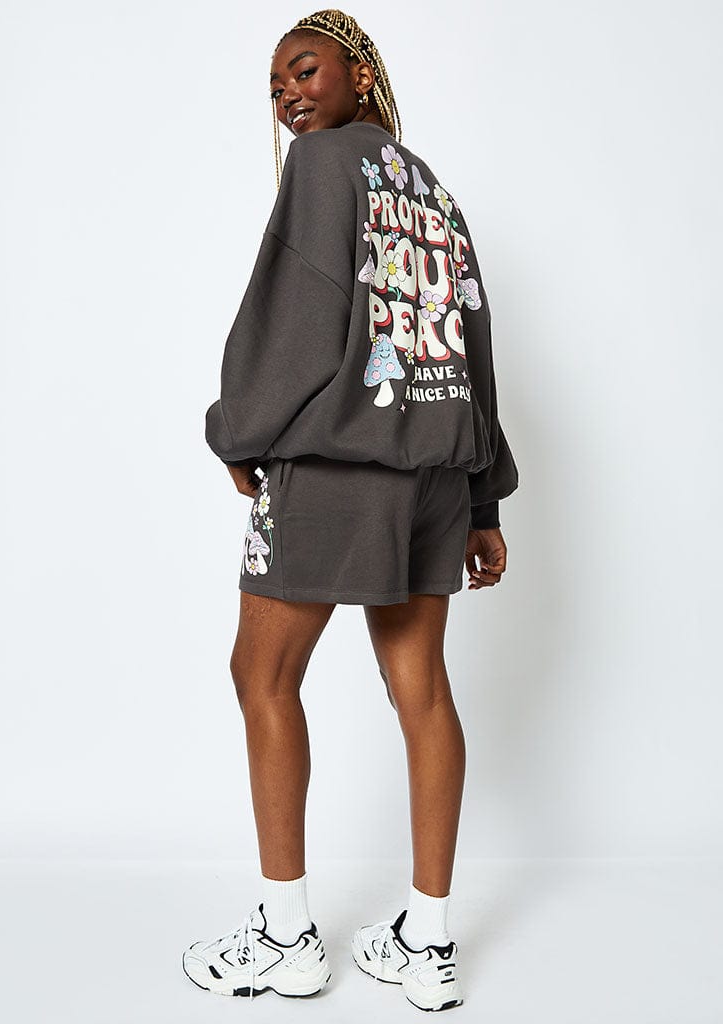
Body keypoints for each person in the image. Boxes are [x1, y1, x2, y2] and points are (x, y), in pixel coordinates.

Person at [182, 8, 519, 1014]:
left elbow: (294, 320)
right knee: (421, 689)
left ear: (359, 73)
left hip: (336, 468)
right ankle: (427, 940)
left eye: (305, 70)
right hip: (431, 475)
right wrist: (481, 495)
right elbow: (468, 336)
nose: (287, 94)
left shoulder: (323, 166)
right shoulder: (431, 190)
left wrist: (236, 431)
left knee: (260, 674)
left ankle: (285, 937)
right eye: (275, 84)